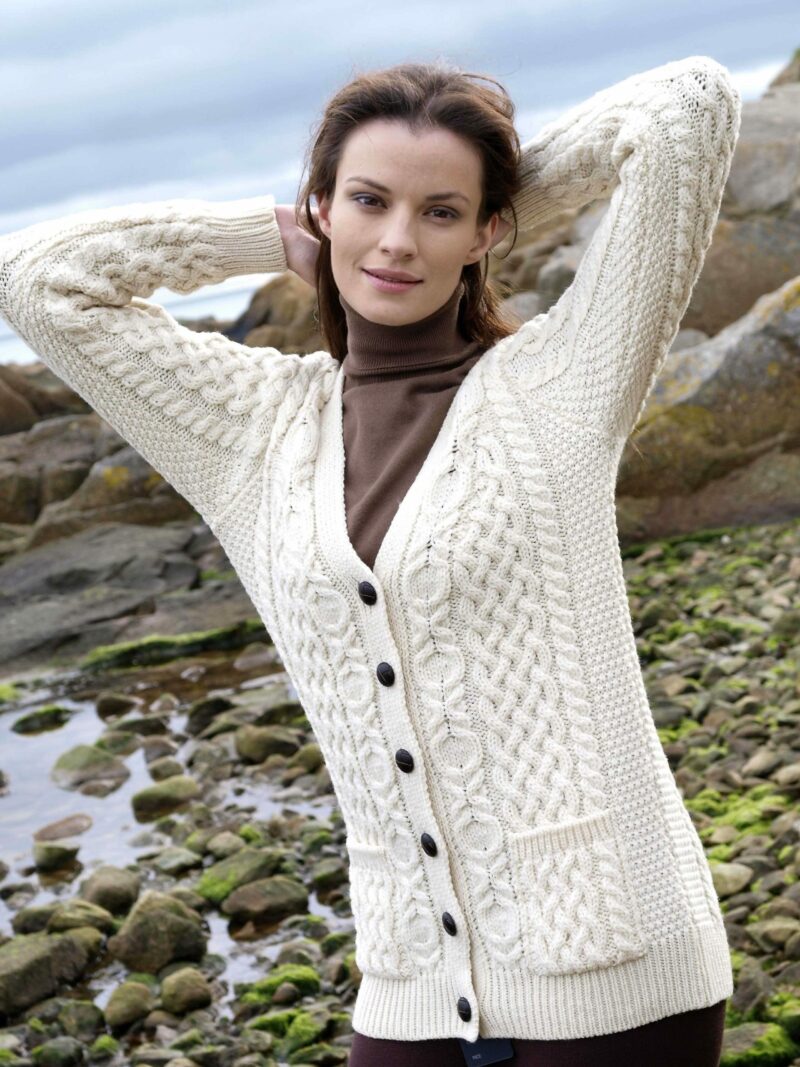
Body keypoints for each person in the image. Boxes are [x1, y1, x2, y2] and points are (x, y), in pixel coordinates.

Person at [0, 52, 740, 1067]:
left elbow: (684, 106)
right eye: (367, 201)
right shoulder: (251, 433)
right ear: (323, 209)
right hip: (406, 985)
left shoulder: (559, 386)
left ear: (487, 234)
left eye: (440, 212)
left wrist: (508, 197)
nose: (396, 240)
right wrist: (269, 238)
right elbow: (40, 282)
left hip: (613, 968)